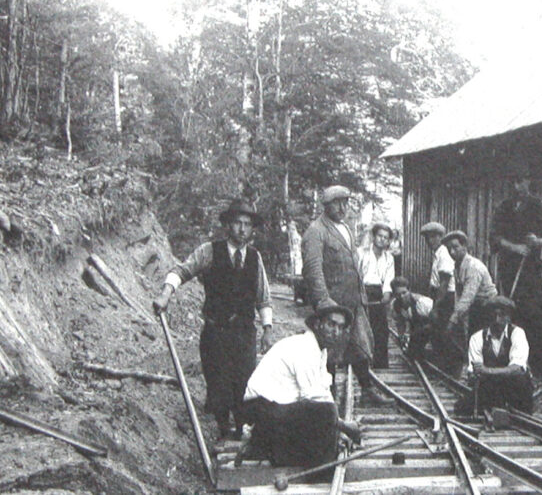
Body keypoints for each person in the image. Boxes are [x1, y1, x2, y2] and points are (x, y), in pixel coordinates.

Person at [151, 199, 273, 440]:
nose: (241, 229)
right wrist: (165, 294)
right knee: (217, 380)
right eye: (237, 223)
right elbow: (181, 271)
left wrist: (267, 329)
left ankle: (241, 430)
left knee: (245, 380)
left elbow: (263, 297)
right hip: (216, 331)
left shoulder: (254, 258)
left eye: (247, 224)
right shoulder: (209, 251)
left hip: (244, 332)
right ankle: (221, 429)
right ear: (228, 225)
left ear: (252, 229)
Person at [301, 185, 388, 405]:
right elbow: (313, 269)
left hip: (353, 303)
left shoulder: (347, 229)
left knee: (360, 347)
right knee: (329, 352)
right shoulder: (316, 231)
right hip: (333, 305)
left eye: (345, 202)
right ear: (326, 205)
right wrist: (323, 302)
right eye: (337, 203)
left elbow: (354, 265)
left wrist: (362, 298)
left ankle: (367, 390)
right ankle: (328, 396)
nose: (342, 207)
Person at [240, 306, 352, 467]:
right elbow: (314, 398)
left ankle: (266, 447)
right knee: (326, 412)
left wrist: (338, 430)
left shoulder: (320, 351)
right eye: (331, 324)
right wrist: (344, 426)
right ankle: (319, 469)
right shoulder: (305, 347)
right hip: (260, 409)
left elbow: (323, 392)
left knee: (327, 413)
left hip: (277, 409)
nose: (336, 331)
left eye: (340, 327)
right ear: (318, 324)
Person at [491, 173, 542, 379]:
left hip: (530, 270)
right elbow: (495, 238)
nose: (518, 185)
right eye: (514, 181)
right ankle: (519, 362)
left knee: (538, 313)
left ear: (528, 181)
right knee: (513, 313)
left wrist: (538, 242)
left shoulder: (540, 208)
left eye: (522, 180)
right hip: (508, 268)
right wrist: (515, 247)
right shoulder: (504, 208)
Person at [466, 296, 533, 414]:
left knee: (521, 381)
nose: (497, 320)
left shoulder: (517, 334)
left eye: (501, 315)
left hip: (513, 388)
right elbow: (474, 372)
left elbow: (517, 369)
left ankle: (521, 415)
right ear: (488, 316)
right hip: (490, 388)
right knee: (465, 406)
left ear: (509, 317)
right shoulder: (477, 338)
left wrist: (487, 371)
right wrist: (475, 374)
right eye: (494, 315)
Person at [442, 230, 498, 343]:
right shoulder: (457, 266)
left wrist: (453, 321)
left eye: (455, 247)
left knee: (477, 339)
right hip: (474, 305)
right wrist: (457, 318)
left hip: (487, 307)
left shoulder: (473, 267)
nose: (452, 252)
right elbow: (458, 296)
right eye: (449, 249)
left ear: (464, 246)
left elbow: (468, 296)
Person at [421, 222, 460, 374]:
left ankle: (451, 367)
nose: (430, 241)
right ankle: (443, 365)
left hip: (445, 298)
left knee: (445, 331)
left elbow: (444, 283)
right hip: (439, 295)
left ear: (440, 237)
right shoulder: (437, 253)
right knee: (438, 330)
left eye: (433, 237)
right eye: (427, 238)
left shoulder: (444, 253)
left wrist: (436, 307)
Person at [357, 222, 396, 369]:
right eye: (380, 236)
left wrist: (387, 294)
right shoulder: (361, 253)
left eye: (386, 238)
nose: (382, 240)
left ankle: (380, 363)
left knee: (381, 330)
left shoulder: (389, 258)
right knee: (361, 327)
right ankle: (361, 361)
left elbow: (388, 279)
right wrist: (360, 294)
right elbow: (356, 275)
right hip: (362, 290)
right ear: (374, 236)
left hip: (378, 293)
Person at [390, 276, 433, 360]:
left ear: (409, 290)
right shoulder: (396, 305)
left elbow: (436, 321)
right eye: (398, 294)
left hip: (432, 327)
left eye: (404, 293)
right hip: (417, 330)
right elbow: (400, 322)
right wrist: (401, 336)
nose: (402, 296)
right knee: (412, 353)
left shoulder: (423, 303)